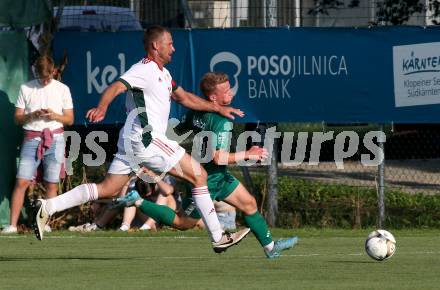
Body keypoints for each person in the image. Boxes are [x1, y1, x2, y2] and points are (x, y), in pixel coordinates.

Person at [32, 25, 249, 252]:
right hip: (146, 140)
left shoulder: (163, 74)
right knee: (199, 175)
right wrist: (102, 107)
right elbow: (117, 85)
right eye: (170, 44)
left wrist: (216, 108)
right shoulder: (143, 69)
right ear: (156, 46)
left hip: (132, 142)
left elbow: (184, 98)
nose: (173, 49)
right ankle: (218, 237)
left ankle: (48, 206)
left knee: (107, 189)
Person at [114, 72, 298, 258]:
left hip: (219, 177)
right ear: (213, 97)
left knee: (249, 204)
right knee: (183, 223)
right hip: (204, 180)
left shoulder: (196, 112)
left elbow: (177, 131)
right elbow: (219, 157)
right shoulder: (221, 121)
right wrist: (248, 154)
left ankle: (270, 248)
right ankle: (136, 200)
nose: (231, 94)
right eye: (225, 91)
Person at [1, 55, 74, 234]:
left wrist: (54, 116)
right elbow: (17, 118)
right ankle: (12, 225)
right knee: (22, 181)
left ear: (54, 71)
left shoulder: (62, 89)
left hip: (55, 139)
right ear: (36, 72)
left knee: (51, 183)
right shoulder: (26, 88)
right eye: (42, 77)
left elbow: (70, 119)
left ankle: (44, 223)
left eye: (48, 76)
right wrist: (32, 115)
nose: (45, 80)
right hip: (31, 138)